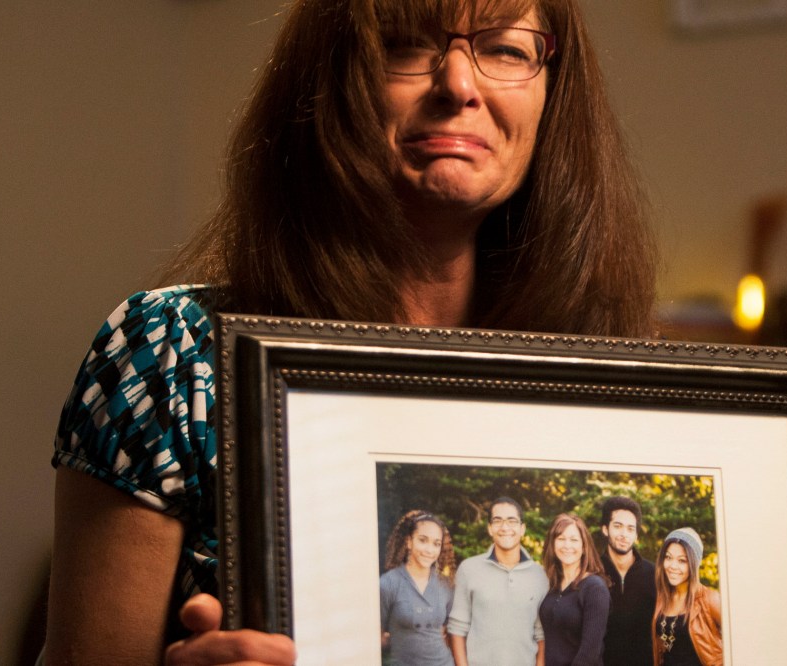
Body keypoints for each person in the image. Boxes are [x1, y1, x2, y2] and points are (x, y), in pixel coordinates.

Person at [43, 0, 658, 663]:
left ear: (551, 95)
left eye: (506, 49)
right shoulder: (170, 352)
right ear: (330, 85)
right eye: (401, 44)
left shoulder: (605, 382)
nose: (458, 84)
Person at [447, 497, 549, 665]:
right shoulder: (469, 569)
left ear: (522, 529)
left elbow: (541, 634)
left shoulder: (540, 575)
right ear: (489, 528)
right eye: (497, 521)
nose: (505, 527)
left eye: (512, 521)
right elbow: (457, 628)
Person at [380, 510, 457, 665]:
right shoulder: (388, 583)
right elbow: (375, 638)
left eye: (436, 544)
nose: (429, 550)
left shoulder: (445, 584)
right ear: (409, 542)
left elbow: (449, 632)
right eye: (423, 540)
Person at [538, 513, 611, 666]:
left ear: (584, 547)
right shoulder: (551, 585)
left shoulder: (594, 588)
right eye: (561, 539)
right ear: (552, 543)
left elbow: (590, 653)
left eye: (574, 540)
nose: (567, 546)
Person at [599, 496, 656, 666]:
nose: (624, 534)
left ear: (636, 534)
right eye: (618, 526)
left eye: (631, 529)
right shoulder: (592, 572)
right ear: (605, 529)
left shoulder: (654, 574)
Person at [651, 528, 722, 666]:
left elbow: (739, 641)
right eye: (668, 557)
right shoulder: (663, 597)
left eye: (682, 561)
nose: (673, 566)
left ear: (694, 564)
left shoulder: (709, 599)